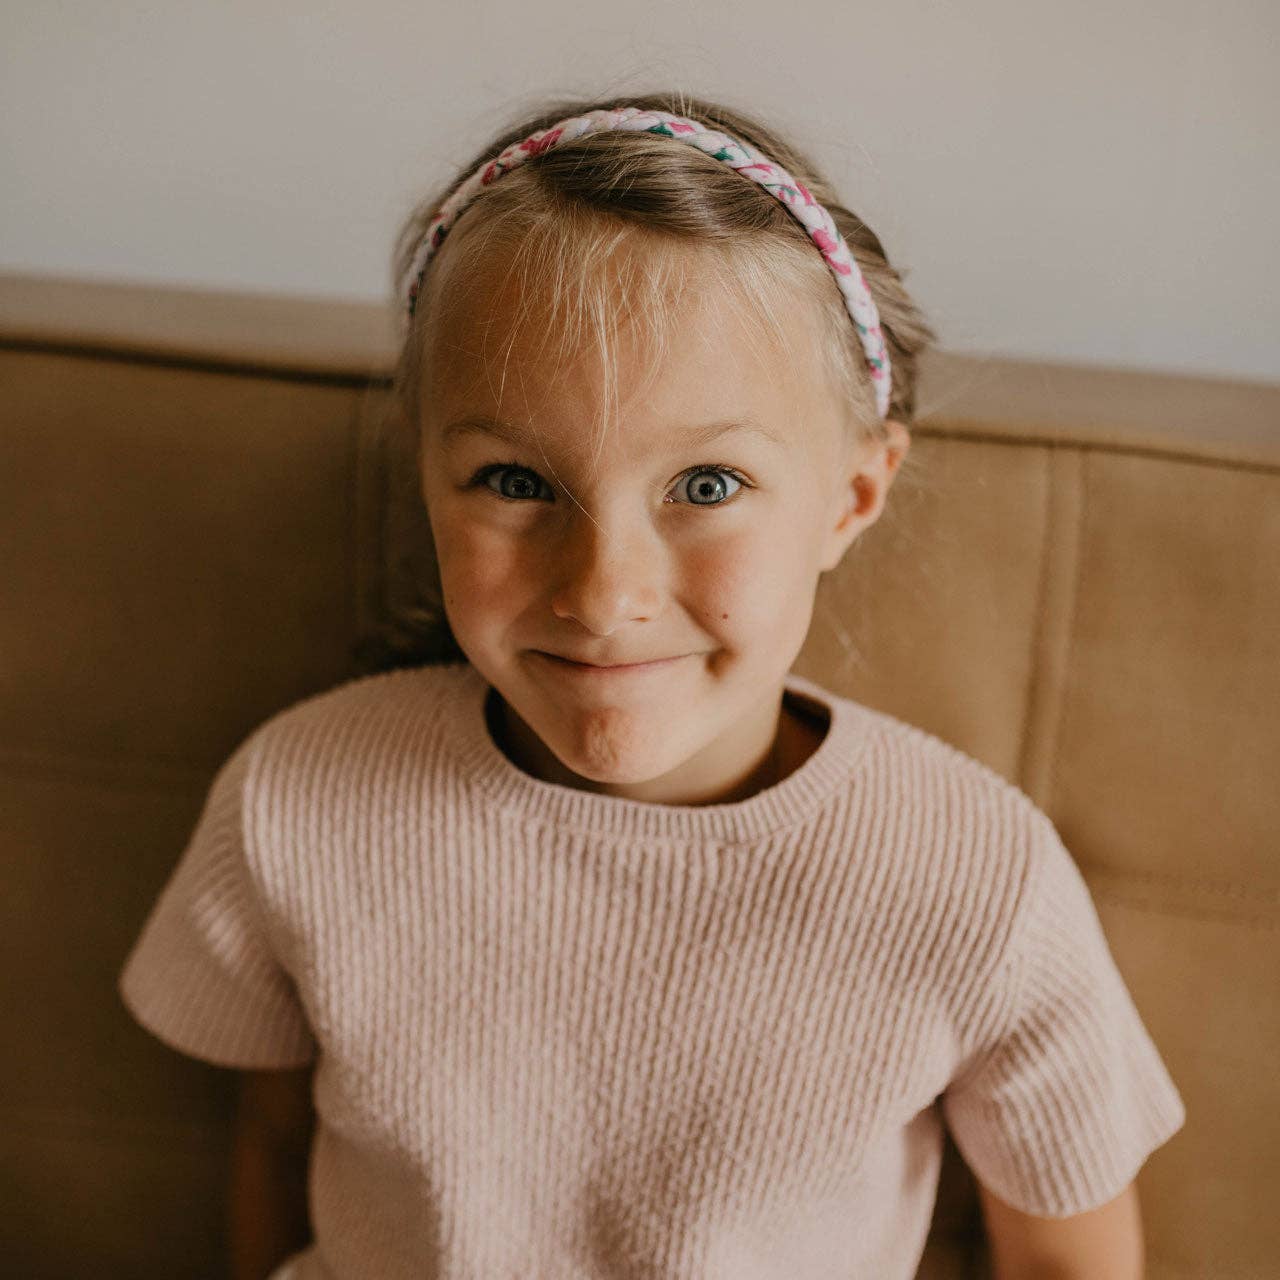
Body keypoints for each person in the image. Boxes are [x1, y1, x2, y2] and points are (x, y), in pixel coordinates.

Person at [117, 91, 1186, 1280]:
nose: (603, 589)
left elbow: (1069, 1259)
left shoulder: (975, 875)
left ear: (850, 495)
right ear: (420, 469)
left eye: (709, 483)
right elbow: (272, 1142)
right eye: (515, 479)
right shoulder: (295, 798)